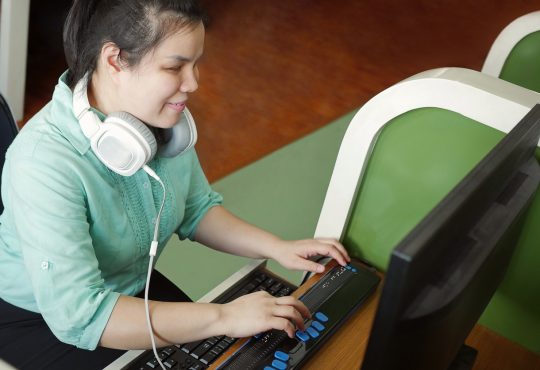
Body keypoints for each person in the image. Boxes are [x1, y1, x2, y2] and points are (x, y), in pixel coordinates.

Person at [0, 0, 350, 369]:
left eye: (195, 63)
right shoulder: (43, 161)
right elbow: (82, 315)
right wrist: (224, 317)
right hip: (43, 317)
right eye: (174, 67)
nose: (193, 83)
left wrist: (278, 247)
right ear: (115, 60)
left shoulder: (158, 119)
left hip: (128, 289)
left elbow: (196, 207)